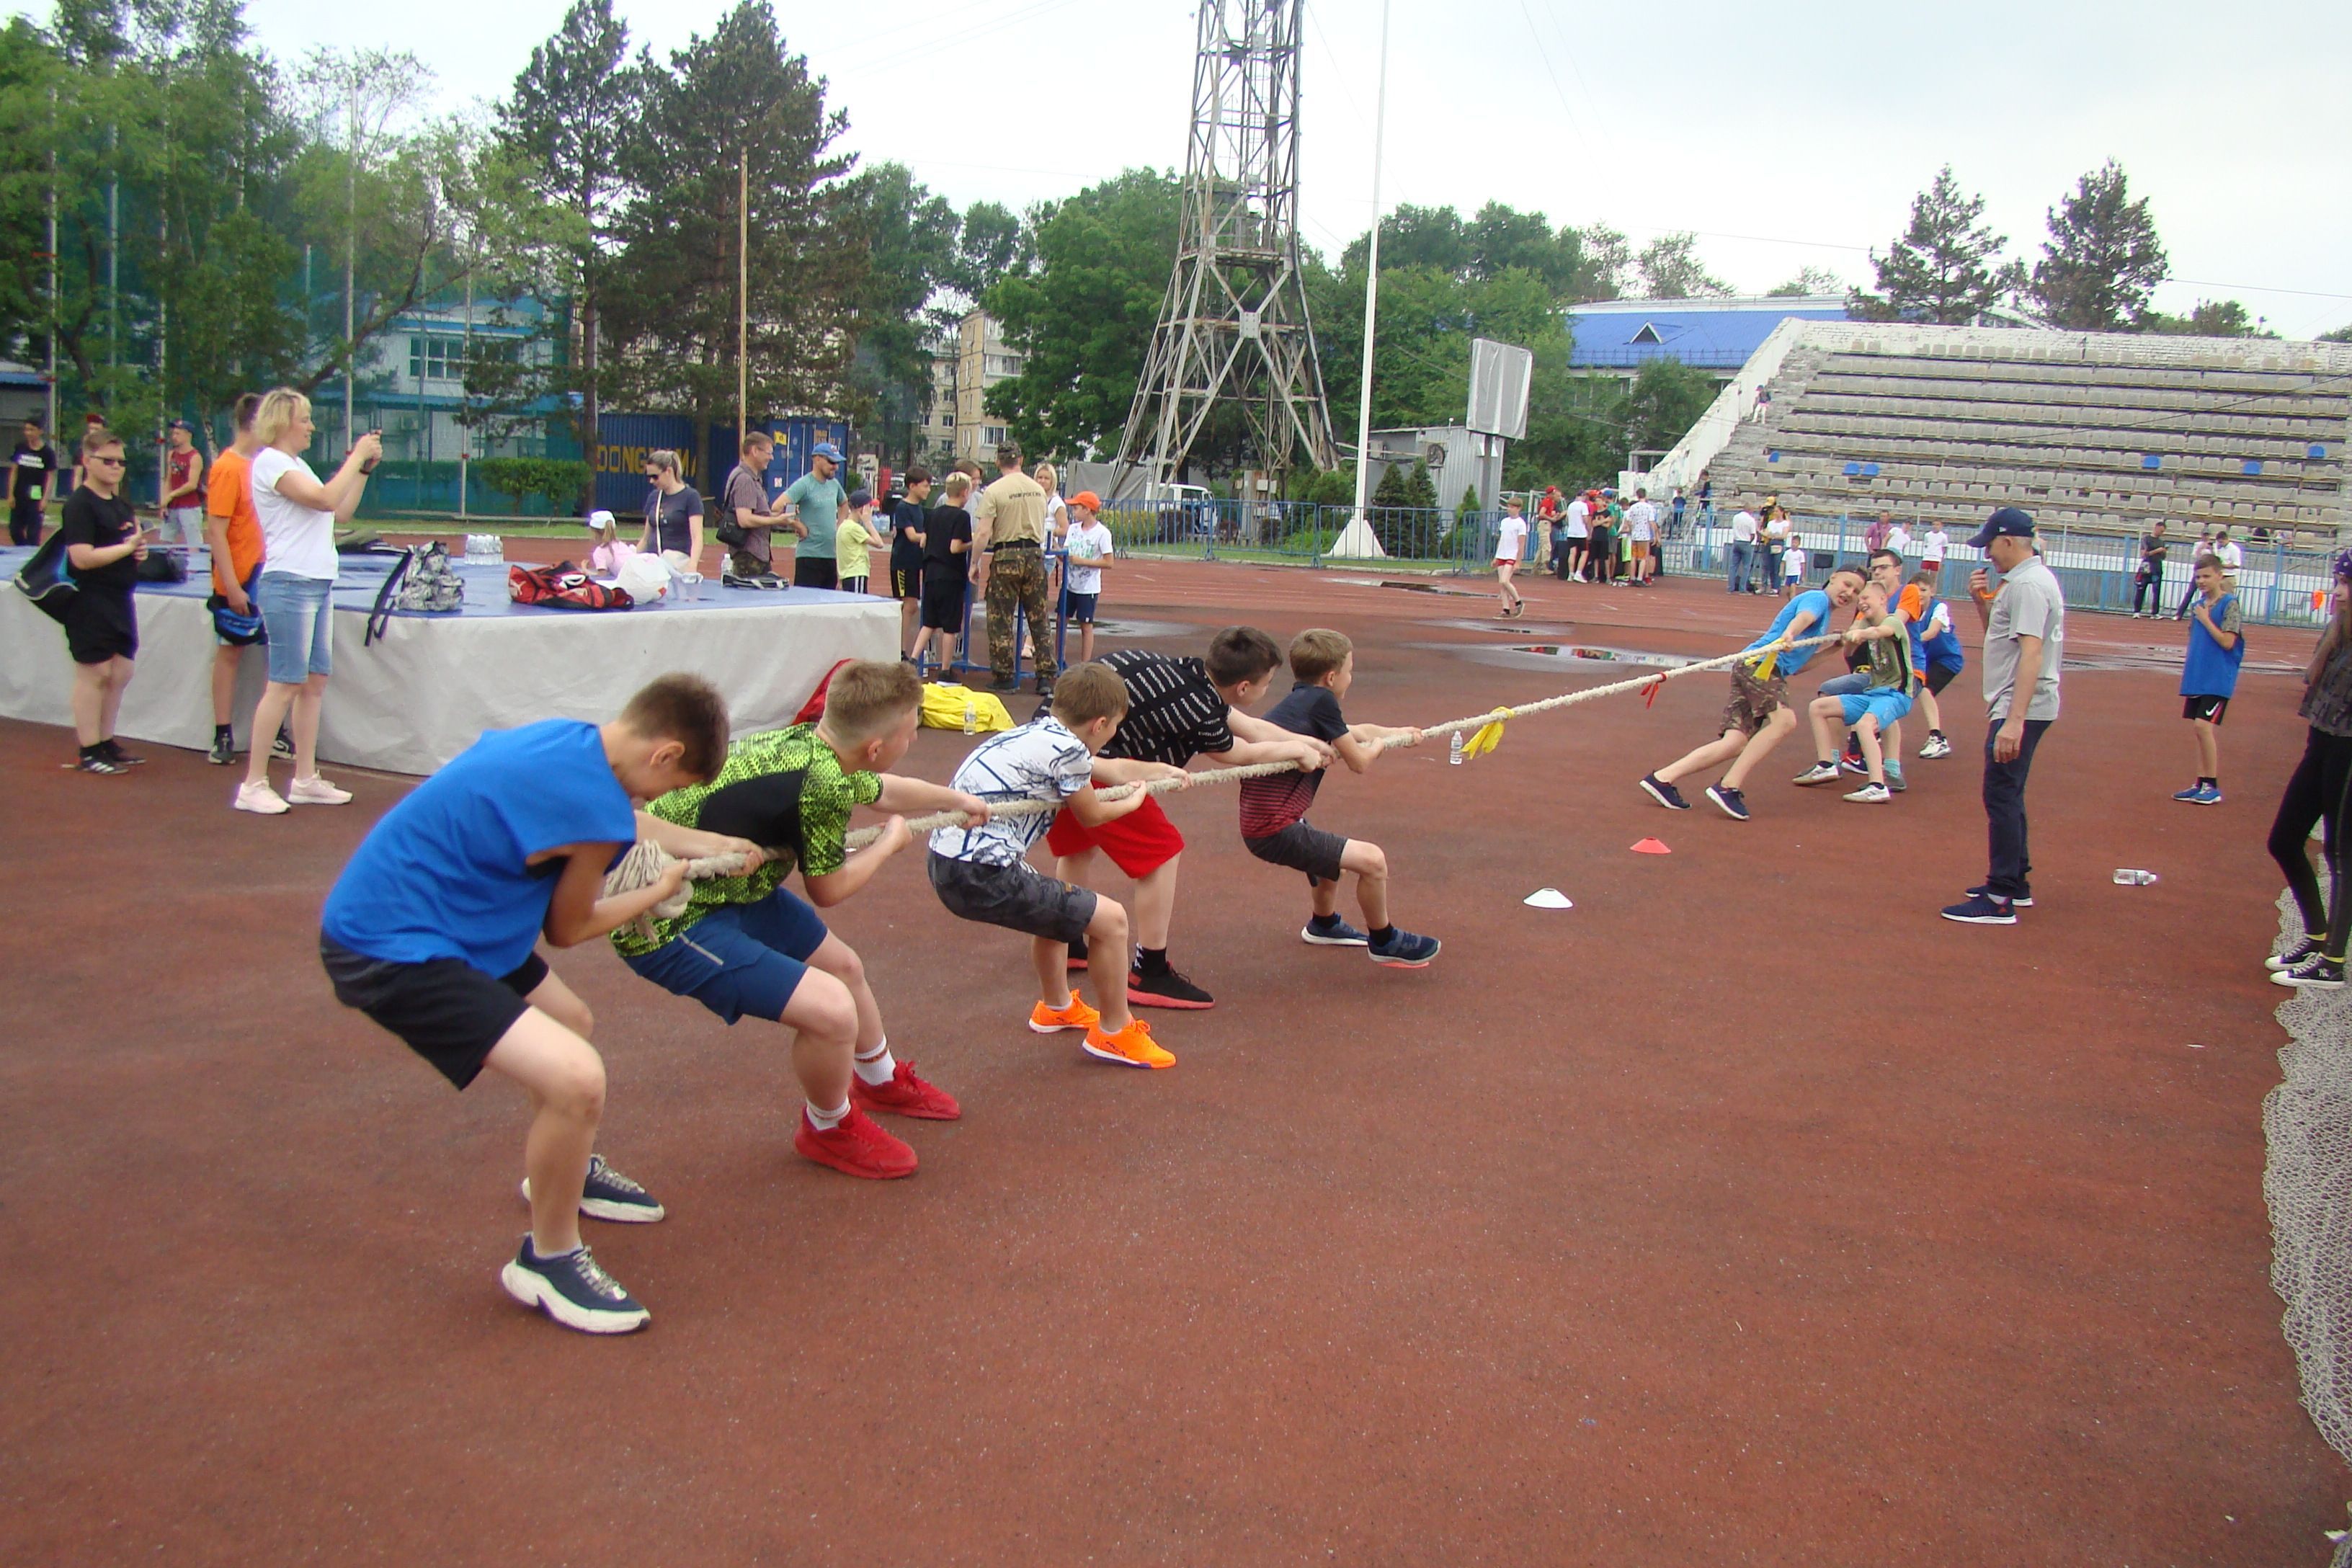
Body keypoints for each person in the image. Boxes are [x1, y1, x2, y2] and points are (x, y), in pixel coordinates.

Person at [321, 673, 740, 1335]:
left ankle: (562, 1169)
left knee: (571, 1021)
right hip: (391, 944)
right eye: (678, 786)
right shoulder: (597, 812)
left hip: (438, 911)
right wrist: (657, 889)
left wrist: (713, 846)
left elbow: (621, 816)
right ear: (664, 755)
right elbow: (569, 930)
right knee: (577, 1077)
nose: (667, 797)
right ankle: (550, 1257)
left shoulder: (568, 741)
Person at [615, 661, 981, 1176]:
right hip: (670, 920)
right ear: (875, 749)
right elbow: (829, 890)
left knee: (845, 969)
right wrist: (888, 846)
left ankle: (877, 1079)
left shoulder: (812, 744)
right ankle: (828, 1127)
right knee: (831, 1013)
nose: (916, 736)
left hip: (735, 889)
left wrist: (958, 800)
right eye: (911, 729)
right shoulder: (824, 784)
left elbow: (885, 792)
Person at [1048, 631, 1335, 1010]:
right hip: (1092, 760)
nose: (1267, 692)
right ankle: (1148, 971)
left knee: (1080, 847)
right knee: (1163, 852)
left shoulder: (1190, 674)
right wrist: (1296, 751)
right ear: (1245, 687)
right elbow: (1241, 754)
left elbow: (1251, 727)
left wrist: (1306, 743)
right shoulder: (1198, 708)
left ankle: (1069, 939)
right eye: (1267, 685)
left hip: (1052, 744)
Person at [930, 661, 1185, 1069]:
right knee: (1112, 921)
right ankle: (1115, 1033)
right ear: (1100, 724)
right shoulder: (1069, 752)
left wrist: (1156, 772)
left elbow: (1112, 772)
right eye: (1116, 727)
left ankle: (1056, 1007)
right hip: (980, 872)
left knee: (1053, 911)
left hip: (950, 861)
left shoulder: (1037, 732)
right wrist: (1136, 800)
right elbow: (1093, 815)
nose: (1115, 735)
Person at [1237, 628, 1438, 966]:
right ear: (1332, 677)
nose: (1351, 677)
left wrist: (1398, 734)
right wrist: (1379, 747)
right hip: (1273, 829)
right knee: (1372, 861)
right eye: (1350, 670)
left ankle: (1324, 924)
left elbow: (1353, 732)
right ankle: (1384, 940)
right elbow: (1359, 760)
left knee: (1332, 864)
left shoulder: (1303, 701)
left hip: (1268, 824)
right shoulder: (1322, 701)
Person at [233, 389, 379, 816]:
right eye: (305, 419)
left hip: (317, 581)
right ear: (282, 422)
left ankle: (304, 777)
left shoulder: (298, 466)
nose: (312, 427)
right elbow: (323, 500)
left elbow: (340, 511)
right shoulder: (271, 463)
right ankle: (253, 782)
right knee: (284, 683)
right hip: (289, 582)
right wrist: (354, 458)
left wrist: (363, 470)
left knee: (313, 683)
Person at [1637, 566, 1866, 821]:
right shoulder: (1818, 599)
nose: (1849, 593)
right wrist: (1790, 633)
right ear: (1833, 578)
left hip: (1757, 668)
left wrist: (1833, 649)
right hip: (1761, 666)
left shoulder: (1823, 621)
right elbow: (1802, 618)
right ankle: (1728, 786)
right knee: (1785, 721)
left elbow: (1799, 667)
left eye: (1856, 591)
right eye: (1847, 584)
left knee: (1734, 742)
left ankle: (1662, 779)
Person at [1942, 507, 2064, 925]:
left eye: (1991, 545)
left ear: (2009, 541)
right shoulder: (2023, 583)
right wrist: (1981, 602)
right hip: (2019, 702)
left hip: (2021, 704)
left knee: (2000, 793)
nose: (1988, 555)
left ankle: (1999, 896)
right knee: (2008, 792)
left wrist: (2015, 720)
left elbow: (2031, 652)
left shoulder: (2029, 586)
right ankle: (2015, 882)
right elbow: (2005, 635)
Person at [2266, 553, 2352, 989]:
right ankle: (2318, 935)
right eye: (2338, 580)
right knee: (2283, 839)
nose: (2336, 590)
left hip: (2349, 750)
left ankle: (2334, 960)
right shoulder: (2338, 631)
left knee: (2341, 853)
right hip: (2322, 740)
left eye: (2345, 583)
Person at [55, 427, 146, 775]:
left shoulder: (121, 504)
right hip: (89, 598)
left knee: (121, 670)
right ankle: (89, 749)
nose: (116, 467)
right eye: (107, 461)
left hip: (121, 596)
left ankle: (106, 741)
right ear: (87, 461)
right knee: (95, 672)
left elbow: (130, 540)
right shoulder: (80, 504)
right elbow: (81, 557)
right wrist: (124, 549)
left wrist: (137, 550)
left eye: (121, 462)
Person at [1795, 578, 1914, 803]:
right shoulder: (1864, 623)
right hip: (1873, 694)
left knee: (1863, 726)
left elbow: (1883, 631)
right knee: (1818, 707)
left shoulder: (1893, 622)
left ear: (1882, 599)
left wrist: (1863, 634)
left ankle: (1878, 785)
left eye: (1866, 598)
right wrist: (1847, 638)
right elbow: (1850, 646)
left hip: (1896, 695)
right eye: (1859, 600)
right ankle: (1827, 763)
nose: (1861, 602)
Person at [203, 393, 270, 767]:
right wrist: (231, 585)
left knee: (270, 655)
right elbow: (216, 530)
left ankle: (271, 731)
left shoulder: (264, 466)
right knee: (230, 652)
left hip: (264, 571)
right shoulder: (228, 468)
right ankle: (223, 732)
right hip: (241, 575)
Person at [972, 442, 1056, 697]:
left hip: (1006, 554)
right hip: (1033, 554)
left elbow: (984, 532)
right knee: (1038, 617)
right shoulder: (1038, 490)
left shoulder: (994, 491)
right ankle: (1045, 676)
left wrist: (975, 562)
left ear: (998, 462)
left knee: (1000, 618)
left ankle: (1005, 676)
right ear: (1021, 459)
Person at [2173, 555, 2243, 806]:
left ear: (2219, 575)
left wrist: (2205, 619)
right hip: (2199, 676)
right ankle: (2201, 782)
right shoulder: (2200, 604)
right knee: (2198, 729)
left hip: (2218, 678)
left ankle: (2212, 785)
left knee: (2204, 726)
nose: (2201, 581)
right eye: (2198, 577)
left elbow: (2227, 641)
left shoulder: (2229, 604)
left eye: (2206, 576)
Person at [911, 471, 974, 675]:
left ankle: (912, 659)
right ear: (965, 493)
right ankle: (946, 669)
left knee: (929, 622)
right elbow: (955, 547)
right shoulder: (962, 517)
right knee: (950, 626)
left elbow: (923, 541)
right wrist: (974, 542)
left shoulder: (932, 514)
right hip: (951, 575)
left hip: (930, 573)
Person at [711, 432, 780, 587]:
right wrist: (776, 520)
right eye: (769, 453)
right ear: (755, 451)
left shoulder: (753, 478)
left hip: (756, 555)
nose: (771, 458)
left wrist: (781, 518)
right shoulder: (745, 480)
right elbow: (745, 519)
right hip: (749, 557)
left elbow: (757, 513)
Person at [1910, 571, 1964, 759]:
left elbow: (1932, 632)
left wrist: (1910, 641)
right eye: (1916, 590)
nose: (1920, 594)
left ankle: (1937, 738)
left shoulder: (1939, 608)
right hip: (1924, 659)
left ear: (1932, 591)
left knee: (1924, 689)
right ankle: (1877, 732)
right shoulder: (1909, 610)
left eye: (1924, 590)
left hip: (1947, 660)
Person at [782, 440, 848, 589]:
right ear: (817, 459)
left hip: (831, 555)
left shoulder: (834, 484)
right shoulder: (804, 484)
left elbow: (844, 504)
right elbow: (778, 507)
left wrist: (840, 525)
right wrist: (796, 524)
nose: (835, 467)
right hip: (809, 557)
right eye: (832, 462)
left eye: (837, 463)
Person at [1061, 490, 1115, 664]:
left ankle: (1085, 663)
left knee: (1086, 624)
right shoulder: (1073, 529)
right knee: (1062, 620)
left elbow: (1109, 562)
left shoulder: (1102, 533)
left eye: (1076, 508)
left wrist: (1082, 561)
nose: (1074, 512)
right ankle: (1059, 659)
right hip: (1069, 583)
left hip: (1087, 587)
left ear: (1087, 510)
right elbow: (1066, 552)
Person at [638, 449, 706, 577]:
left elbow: (697, 537)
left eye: (655, 476)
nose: (651, 481)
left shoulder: (691, 497)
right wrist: (633, 560)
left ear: (668, 471)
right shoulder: (654, 497)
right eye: (649, 477)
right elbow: (646, 537)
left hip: (677, 565)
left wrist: (692, 566)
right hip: (654, 564)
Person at [887, 468, 930, 655]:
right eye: (926, 486)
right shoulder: (903, 507)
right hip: (903, 563)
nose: (928, 490)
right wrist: (932, 537)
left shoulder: (920, 509)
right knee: (907, 605)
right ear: (912, 486)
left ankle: (900, 648)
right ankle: (900, 649)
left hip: (915, 563)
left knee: (911, 606)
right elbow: (912, 535)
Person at [9, 414, 57, 546]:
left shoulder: (47, 453)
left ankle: (31, 555)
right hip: (19, 494)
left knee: (33, 532)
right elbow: (14, 471)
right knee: (15, 530)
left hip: (36, 495)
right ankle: (21, 549)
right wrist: (10, 494)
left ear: (40, 431)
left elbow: (51, 476)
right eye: (26, 430)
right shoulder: (20, 448)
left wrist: (45, 499)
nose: (28, 433)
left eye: (32, 430)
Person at [159, 418, 205, 550]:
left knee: (194, 542)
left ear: (188, 435)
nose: (174, 437)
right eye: (173, 433)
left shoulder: (195, 457)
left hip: (189, 506)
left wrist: (172, 495)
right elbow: (168, 479)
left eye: (178, 433)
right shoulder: (172, 455)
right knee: (165, 540)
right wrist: (164, 503)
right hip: (173, 506)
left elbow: (192, 484)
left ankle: (195, 569)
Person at [835, 489, 876, 594]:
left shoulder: (844, 526)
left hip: (847, 574)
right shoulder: (854, 528)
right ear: (862, 508)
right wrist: (868, 522)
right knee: (858, 605)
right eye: (869, 507)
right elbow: (879, 543)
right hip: (856, 572)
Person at [1492, 496, 1527, 617]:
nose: (1509, 509)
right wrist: (1496, 557)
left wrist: (1518, 561)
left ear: (1518, 509)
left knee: (1504, 580)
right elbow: (1501, 540)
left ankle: (1518, 602)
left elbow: (1521, 543)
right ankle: (1505, 609)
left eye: (1512, 507)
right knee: (1501, 584)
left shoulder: (1521, 524)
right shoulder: (1504, 522)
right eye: (1509, 507)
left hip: (1512, 555)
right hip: (1502, 554)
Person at [2175, 527, 2218, 619]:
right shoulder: (2197, 544)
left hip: (2208, 572)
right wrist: (2201, 547)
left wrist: (2211, 549)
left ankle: (2203, 614)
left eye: (2207, 535)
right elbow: (2195, 557)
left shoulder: (2213, 545)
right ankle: (2179, 614)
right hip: (2198, 571)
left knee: (2206, 594)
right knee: (2190, 592)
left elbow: (2215, 559)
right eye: (2204, 535)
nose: (2206, 537)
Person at [2131, 522, 2168, 617]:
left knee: (2156, 591)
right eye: (2160, 531)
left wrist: (2163, 552)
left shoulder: (2161, 542)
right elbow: (2144, 554)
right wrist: (2157, 551)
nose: (2161, 533)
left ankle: (2155, 612)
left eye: (2163, 531)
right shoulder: (2146, 539)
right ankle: (2137, 611)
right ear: (2156, 528)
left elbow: (2163, 557)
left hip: (2157, 567)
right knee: (2141, 588)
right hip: (2147, 566)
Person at [584, 509, 636, 576]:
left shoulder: (600, 552)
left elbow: (602, 576)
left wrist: (586, 572)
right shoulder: (622, 545)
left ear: (595, 533)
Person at [1624, 488, 1658, 586]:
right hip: (1644, 536)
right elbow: (1652, 522)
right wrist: (1655, 535)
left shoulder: (1633, 507)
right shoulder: (1649, 507)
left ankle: (1632, 578)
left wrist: (1632, 530)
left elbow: (1628, 521)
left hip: (1635, 535)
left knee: (1633, 557)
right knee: (1643, 558)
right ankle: (1639, 578)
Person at [1727, 503, 1758, 594]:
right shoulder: (1751, 520)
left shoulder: (1736, 517)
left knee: (1733, 566)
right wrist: (1749, 542)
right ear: (1750, 510)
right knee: (1746, 567)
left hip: (1736, 541)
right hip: (1746, 542)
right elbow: (1753, 534)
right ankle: (1742, 588)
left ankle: (1730, 587)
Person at [1562, 488, 1592, 582]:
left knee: (1572, 552)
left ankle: (1571, 573)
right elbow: (1585, 519)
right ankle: (1579, 572)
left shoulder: (1571, 505)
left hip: (1571, 532)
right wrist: (1589, 530)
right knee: (1584, 552)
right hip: (1581, 532)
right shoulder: (1583, 506)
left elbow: (1567, 519)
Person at [1762, 504, 1791, 590]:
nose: (1775, 513)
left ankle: (1776, 587)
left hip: (1778, 544)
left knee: (1777, 566)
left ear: (1782, 512)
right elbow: (1767, 533)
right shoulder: (1771, 523)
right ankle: (1770, 586)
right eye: (1774, 511)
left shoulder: (1785, 523)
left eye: (1777, 511)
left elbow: (1783, 536)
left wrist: (1773, 536)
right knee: (1769, 566)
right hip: (1770, 543)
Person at [1921, 521, 1949, 586]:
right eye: (1934, 524)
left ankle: (1932, 593)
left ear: (1941, 526)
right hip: (1927, 557)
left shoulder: (1943, 537)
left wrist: (1941, 560)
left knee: (1933, 577)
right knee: (1923, 576)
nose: (1935, 526)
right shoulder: (1927, 535)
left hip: (1936, 558)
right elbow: (1926, 545)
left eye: (1937, 525)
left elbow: (1944, 548)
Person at [1781, 533, 1807, 598]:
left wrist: (1803, 576)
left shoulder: (1800, 554)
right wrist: (1781, 571)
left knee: (1793, 588)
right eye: (1793, 542)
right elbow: (1783, 562)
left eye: (1796, 543)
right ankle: (1791, 601)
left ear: (1799, 544)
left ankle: (1793, 603)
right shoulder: (1787, 553)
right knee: (1787, 591)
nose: (1794, 544)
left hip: (1796, 573)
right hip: (1788, 573)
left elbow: (1803, 565)